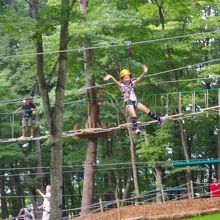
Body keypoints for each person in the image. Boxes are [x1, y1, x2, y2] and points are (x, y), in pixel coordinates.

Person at [104, 64, 167, 135]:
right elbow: (116, 82)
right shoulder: (122, 86)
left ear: (130, 78)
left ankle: (160, 119)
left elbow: (139, 79)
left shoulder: (132, 84)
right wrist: (111, 77)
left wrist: (144, 72)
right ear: (122, 79)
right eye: (125, 78)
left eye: (128, 77)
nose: (127, 79)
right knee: (134, 115)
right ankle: (136, 129)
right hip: (128, 102)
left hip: (135, 101)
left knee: (147, 110)